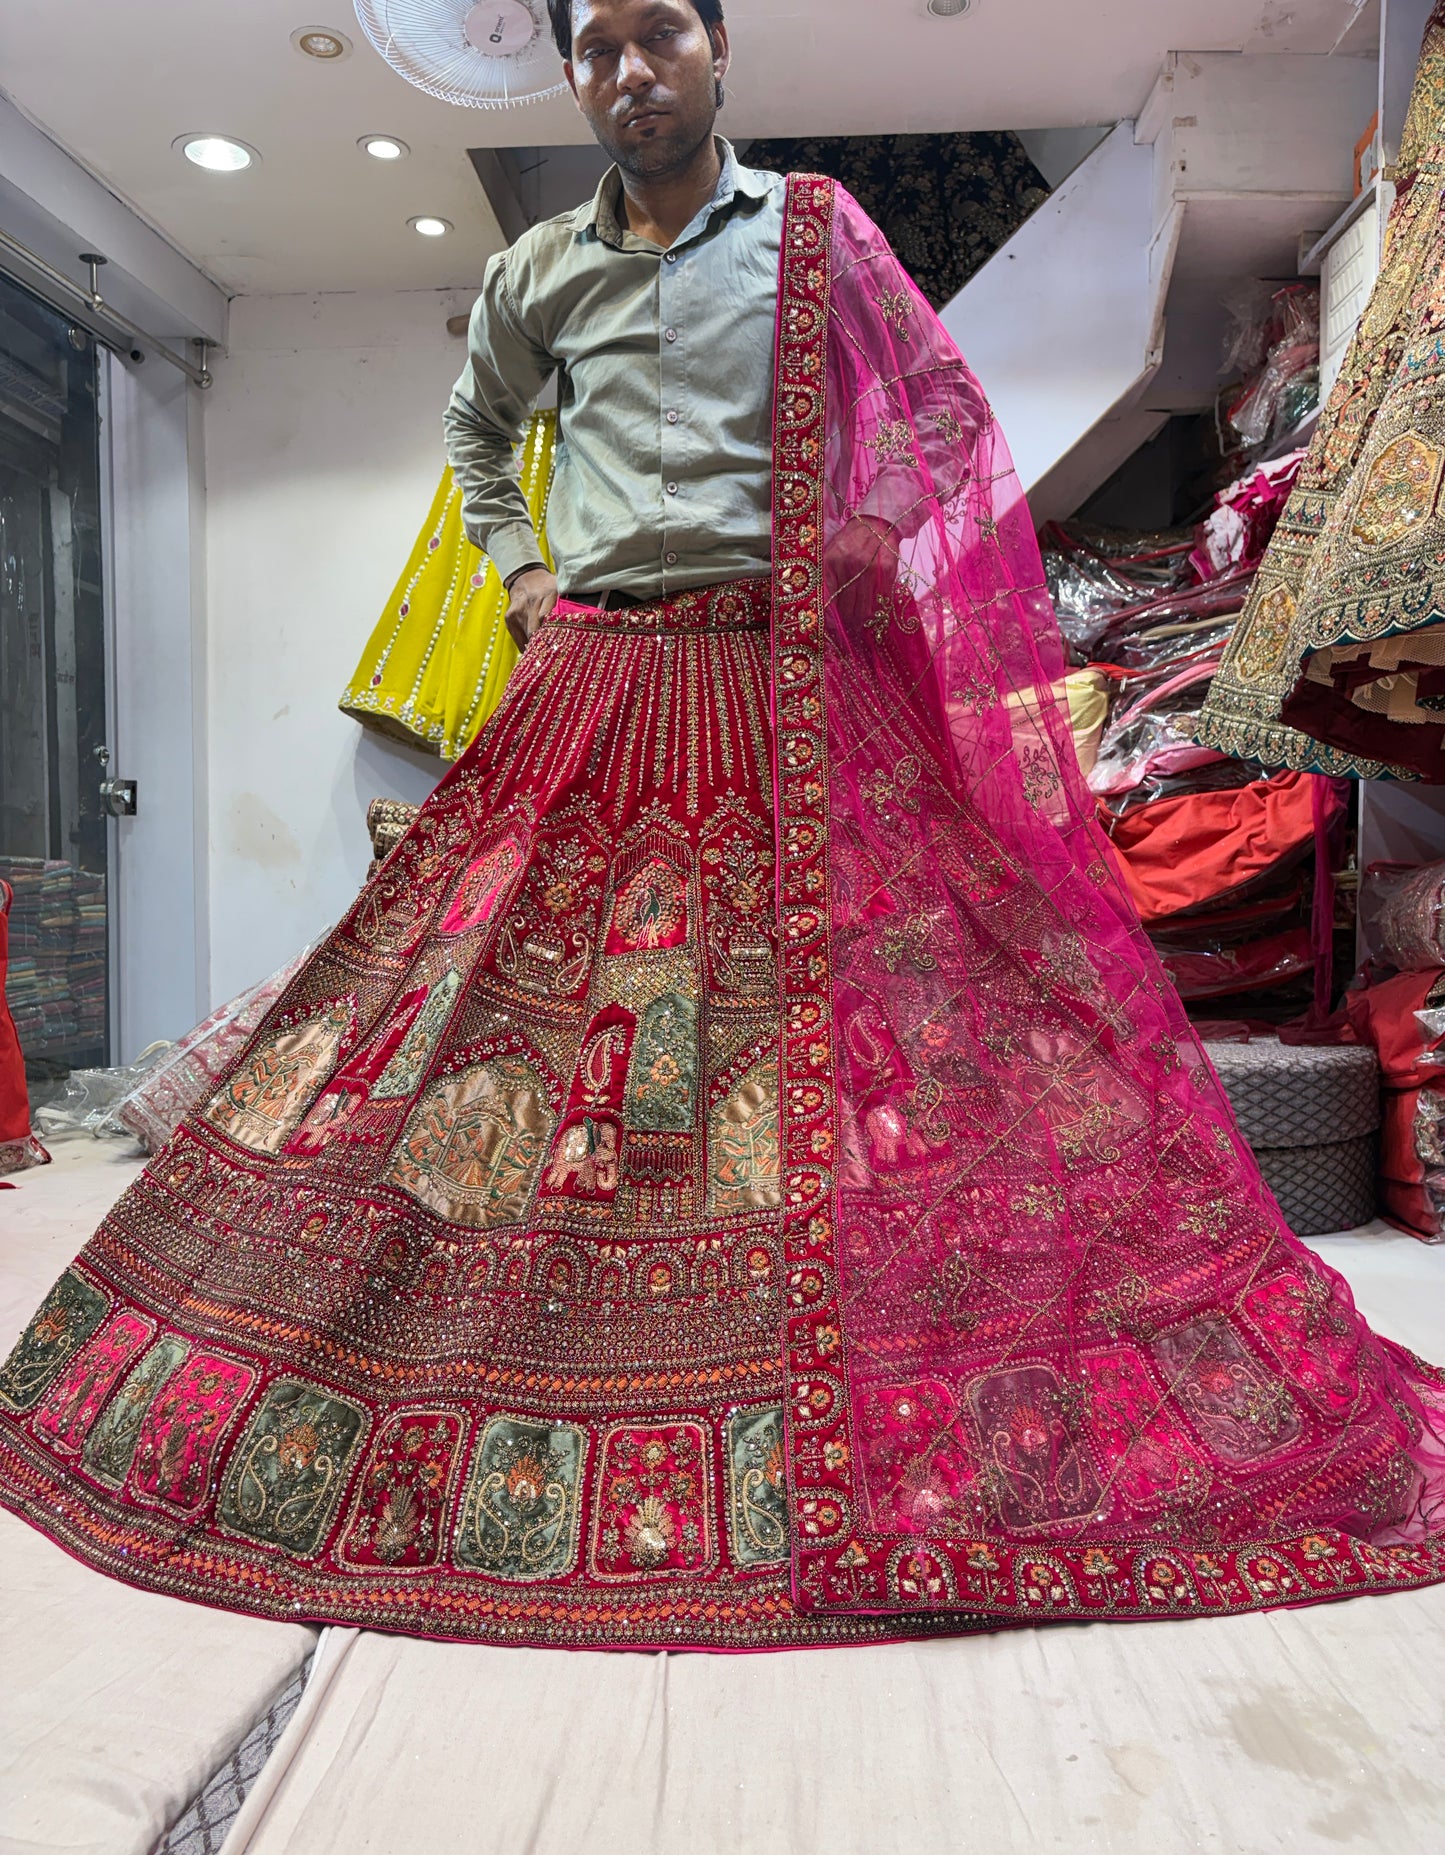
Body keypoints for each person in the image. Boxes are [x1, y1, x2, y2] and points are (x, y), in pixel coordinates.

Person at [1, 0, 1443, 1651]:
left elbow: (940, 421)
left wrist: (868, 529)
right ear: (570, 72)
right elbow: (478, 435)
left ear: (715, 45)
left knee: (864, 1017)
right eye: (596, 46)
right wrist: (526, 579)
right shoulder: (539, 271)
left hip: (787, 678)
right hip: (599, 674)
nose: (631, 71)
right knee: (488, 1007)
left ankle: (797, 1346)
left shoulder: (815, 233)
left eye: (659, 32)